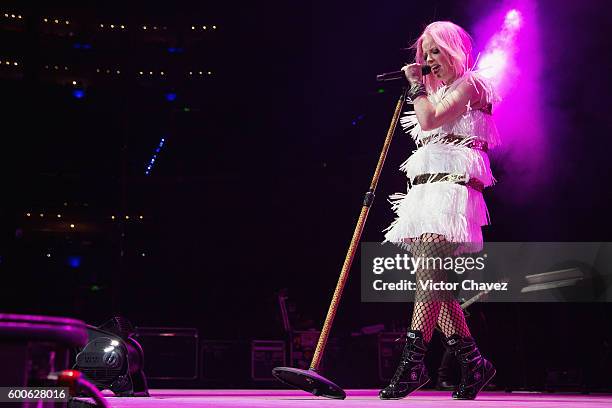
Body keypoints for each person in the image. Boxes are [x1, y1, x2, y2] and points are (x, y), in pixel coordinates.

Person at [379, 21, 500, 400]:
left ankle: (412, 364)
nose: (429, 59)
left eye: (436, 51)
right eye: (424, 53)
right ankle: (475, 362)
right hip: (425, 194)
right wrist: (420, 87)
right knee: (436, 284)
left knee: (430, 279)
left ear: (454, 49)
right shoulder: (437, 93)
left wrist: (416, 85)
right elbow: (428, 119)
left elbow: (430, 119)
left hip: (454, 191)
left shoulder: (474, 83)